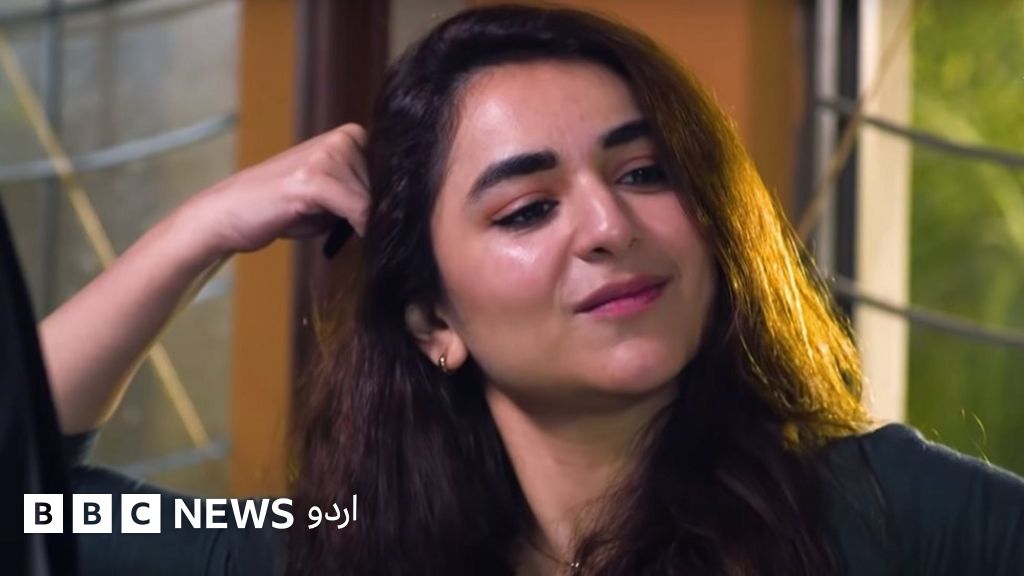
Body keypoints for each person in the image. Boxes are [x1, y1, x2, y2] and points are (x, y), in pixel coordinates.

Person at [36, 5, 1022, 576]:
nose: (608, 227)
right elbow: (34, 507)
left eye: (645, 173)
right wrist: (197, 230)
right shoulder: (331, 550)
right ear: (434, 321)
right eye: (526, 209)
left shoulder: (877, 509)